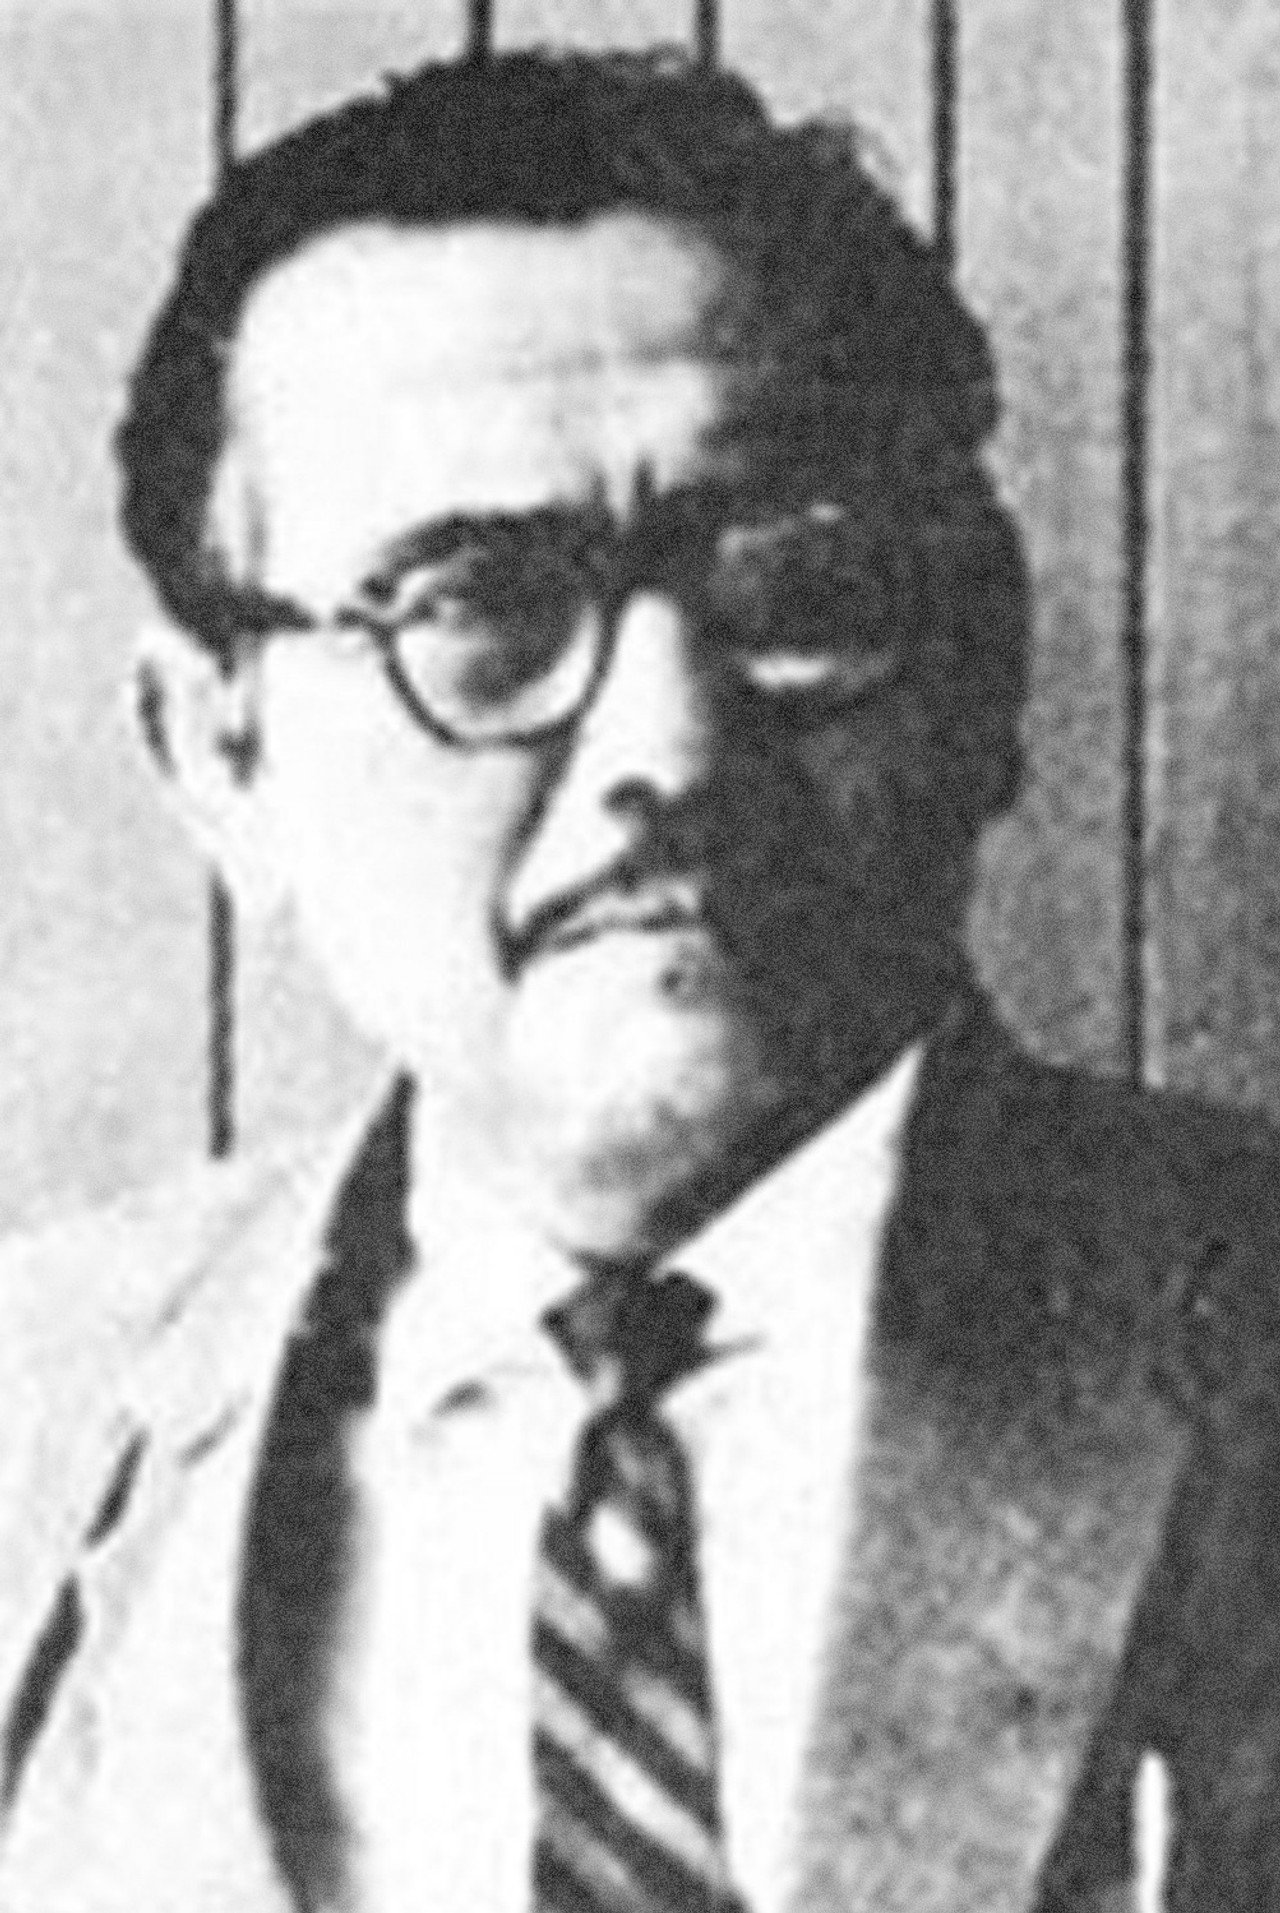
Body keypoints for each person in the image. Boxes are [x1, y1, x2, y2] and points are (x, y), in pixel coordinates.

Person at [2, 46, 1279, 1913]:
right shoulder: (33, 1406)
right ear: (218, 756)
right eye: (479, 608)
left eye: (798, 586)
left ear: (982, 662)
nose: (669, 748)